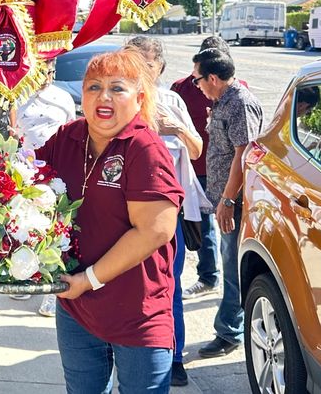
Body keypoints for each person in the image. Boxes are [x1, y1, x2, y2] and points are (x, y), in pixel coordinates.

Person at [35, 48, 183, 394]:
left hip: (137, 313)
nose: (104, 97)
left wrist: (88, 279)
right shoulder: (68, 137)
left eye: (117, 88)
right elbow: (24, 182)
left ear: (139, 97)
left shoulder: (144, 148)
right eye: (93, 87)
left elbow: (156, 229)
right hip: (77, 310)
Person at [126, 36, 204, 387]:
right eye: (132, 61)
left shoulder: (173, 100)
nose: (139, 69)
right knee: (125, 284)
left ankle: (173, 356)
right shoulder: (122, 98)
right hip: (126, 211)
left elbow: (197, 150)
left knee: (168, 287)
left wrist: (176, 129)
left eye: (144, 62)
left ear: (158, 66)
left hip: (169, 214)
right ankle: (128, 352)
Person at [192, 47, 263, 359]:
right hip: (225, 198)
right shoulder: (223, 100)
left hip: (235, 201)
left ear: (212, 78)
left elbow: (243, 154)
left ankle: (230, 332)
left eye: (198, 81)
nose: (197, 86)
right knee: (229, 263)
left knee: (233, 268)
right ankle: (233, 328)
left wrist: (227, 200)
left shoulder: (240, 103)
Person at [9, 58, 76, 318]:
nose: (46, 77)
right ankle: (22, 278)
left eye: (51, 72)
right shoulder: (16, 96)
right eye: (42, 71)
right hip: (25, 171)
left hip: (57, 171)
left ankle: (50, 291)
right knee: (24, 225)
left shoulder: (63, 97)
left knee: (55, 229)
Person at [170, 36, 235, 301]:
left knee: (230, 231)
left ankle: (232, 286)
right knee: (201, 225)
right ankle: (208, 277)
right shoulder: (180, 88)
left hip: (227, 172)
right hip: (193, 167)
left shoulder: (235, 92)